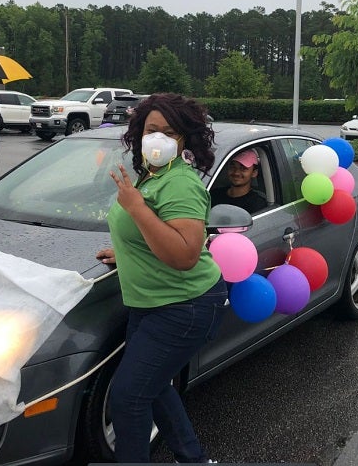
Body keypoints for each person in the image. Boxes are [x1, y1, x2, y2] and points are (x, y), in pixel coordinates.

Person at [95, 93, 227, 463]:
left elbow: (185, 255)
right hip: (152, 304)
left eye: (169, 132)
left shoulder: (180, 182)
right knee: (152, 388)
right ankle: (193, 459)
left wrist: (135, 208)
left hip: (184, 306)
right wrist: (126, 253)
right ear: (139, 133)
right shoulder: (154, 175)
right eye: (151, 130)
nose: (158, 138)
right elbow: (153, 235)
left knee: (129, 397)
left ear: (184, 139)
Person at [210, 148, 267, 214]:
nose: (236, 172)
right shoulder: (214, 195)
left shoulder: (257, 204)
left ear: (254, 173)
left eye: (243, 168)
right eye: (233, 167)